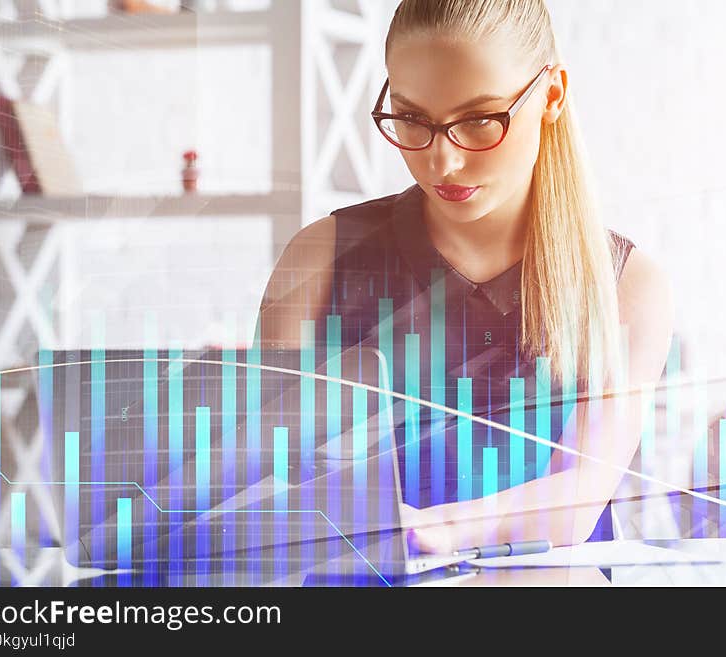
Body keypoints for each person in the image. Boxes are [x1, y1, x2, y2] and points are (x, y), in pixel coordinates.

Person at [255, 0, 674, 555]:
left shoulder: (624, 284)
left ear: (552, 96)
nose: (442, 162)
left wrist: (430, 530)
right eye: (411, 120)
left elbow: (577, 499)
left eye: (478, 121)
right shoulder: (320, 258)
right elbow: (260, 475)